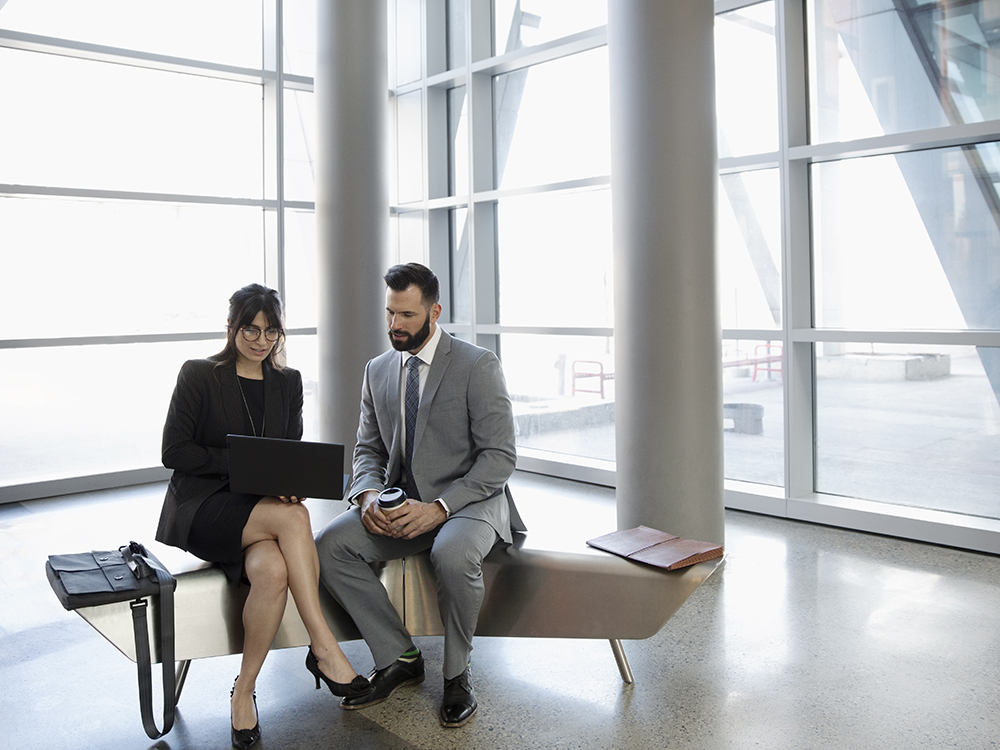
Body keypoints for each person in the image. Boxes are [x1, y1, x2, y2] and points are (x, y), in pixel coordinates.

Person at [156, 283, 372, 750]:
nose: (260, 340)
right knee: (294, 522)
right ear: (231, 327)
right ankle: (323, 645)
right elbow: (174, 451)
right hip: (203, 506)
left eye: (270, 331)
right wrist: (242, 467)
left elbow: (288, 451)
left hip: (260, 509)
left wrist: (290, 483)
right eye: (250, 329)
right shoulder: (199, 375)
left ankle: (244, 692)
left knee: (272, 570)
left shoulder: (287, 383)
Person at [315, 263, 524, 728]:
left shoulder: (477, 365)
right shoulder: (378, 370)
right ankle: (399, 654)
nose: (395, 325)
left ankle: (456, 677)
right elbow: (367, 448)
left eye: (407, 315)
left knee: (451, 555)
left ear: (435, 311)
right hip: (401, 502)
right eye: (390, 314)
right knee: (330, 546)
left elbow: (500, 457)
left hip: (468, 500)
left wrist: (440, 508)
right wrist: (367, 496)